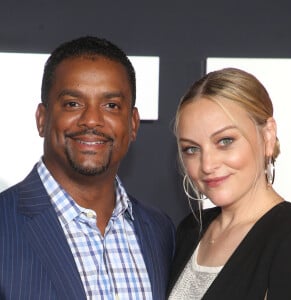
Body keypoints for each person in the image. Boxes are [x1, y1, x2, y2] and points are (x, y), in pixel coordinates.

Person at [0, 36, 175, 300]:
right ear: (42, 119)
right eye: (73, 103)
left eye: (111, 106)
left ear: (133, 124)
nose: (92, 119)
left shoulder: (161, 231)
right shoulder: (5, 224)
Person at [167, 67, 291, 299]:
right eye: (191, 149)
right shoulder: (190, 231)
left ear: (268, 136)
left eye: (225, 141)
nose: (207, 165)